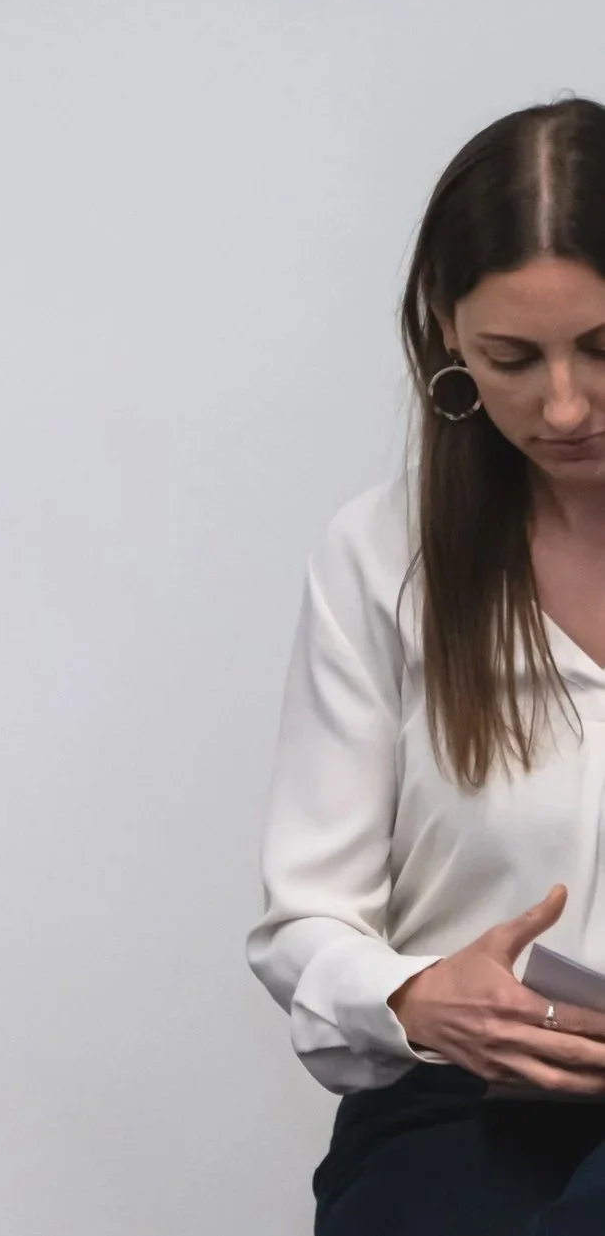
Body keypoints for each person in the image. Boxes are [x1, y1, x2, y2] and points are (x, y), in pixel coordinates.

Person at [253, 99, 605, 1232]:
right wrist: (413, 993)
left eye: (603, 349)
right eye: (513, 359)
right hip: (464, 1109)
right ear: (448, 336)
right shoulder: (380, 557)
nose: (564, 406)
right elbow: (306, 923)